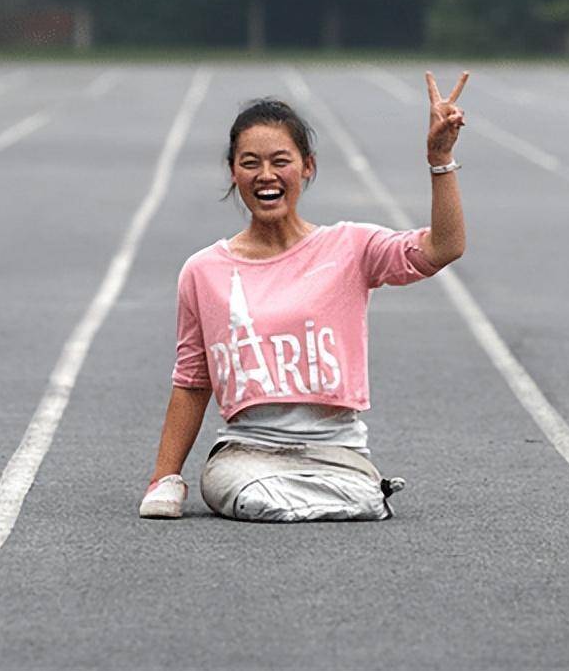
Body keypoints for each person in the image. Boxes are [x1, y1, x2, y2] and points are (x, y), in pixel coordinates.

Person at [139, 71, 469, 521]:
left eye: (281, 161)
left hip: (337, 453)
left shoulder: (350, 247)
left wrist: (440, 159)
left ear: (307, 166)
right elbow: (192, 380)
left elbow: (444, 248)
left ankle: (349, 496)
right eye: (250, 163)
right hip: (246, 454)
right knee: (242, 492)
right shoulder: (204, 270)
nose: (266, 175)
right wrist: (166, 477)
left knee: (271, 499)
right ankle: (360, 501)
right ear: (233, 172)